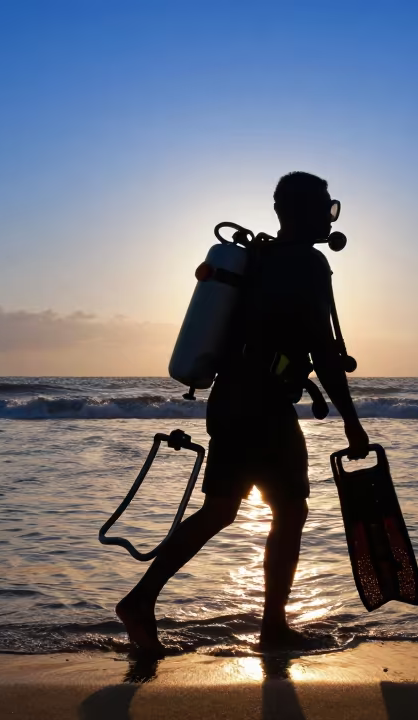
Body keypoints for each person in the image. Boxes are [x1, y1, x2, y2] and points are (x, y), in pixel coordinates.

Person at [116, 171, 369, 652]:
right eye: (326, 206)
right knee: (290, 511)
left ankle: (140, 601)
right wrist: (352, 423)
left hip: (229, 401)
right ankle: (273, 628)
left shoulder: (259, 259)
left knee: (220, 510)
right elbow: (323, 350)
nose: (330, 215)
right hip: (264, 409)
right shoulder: (306, 263)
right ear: (302, 211)